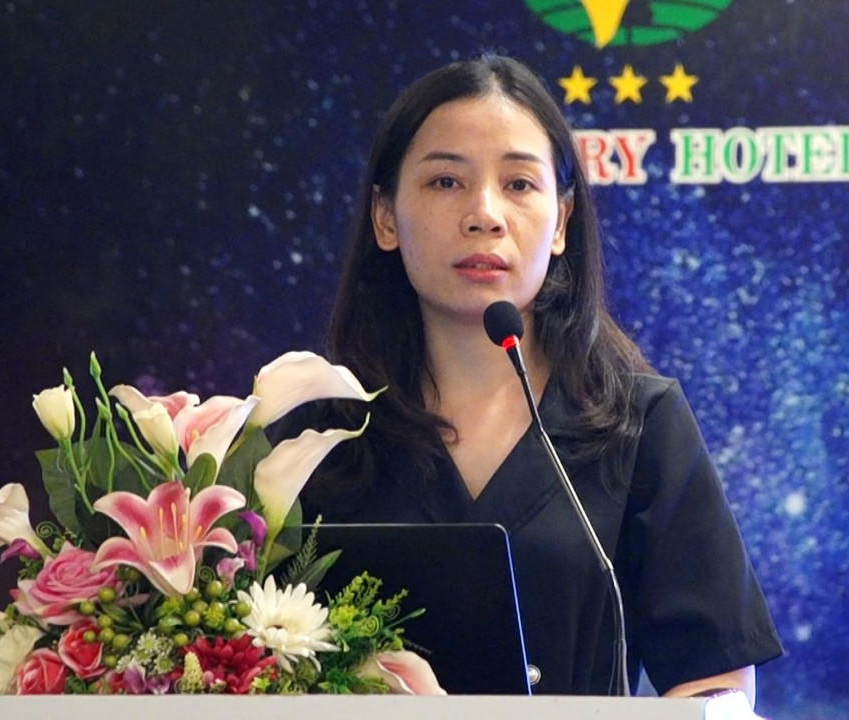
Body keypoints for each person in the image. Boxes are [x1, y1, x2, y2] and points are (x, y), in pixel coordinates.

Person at [288, 55, 782, 701]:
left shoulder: (639, 425)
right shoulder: (316, 433)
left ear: (562, 222)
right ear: (386, 218)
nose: (484, 214)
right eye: (445, 181)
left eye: (519, 184)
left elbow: (714, 682)